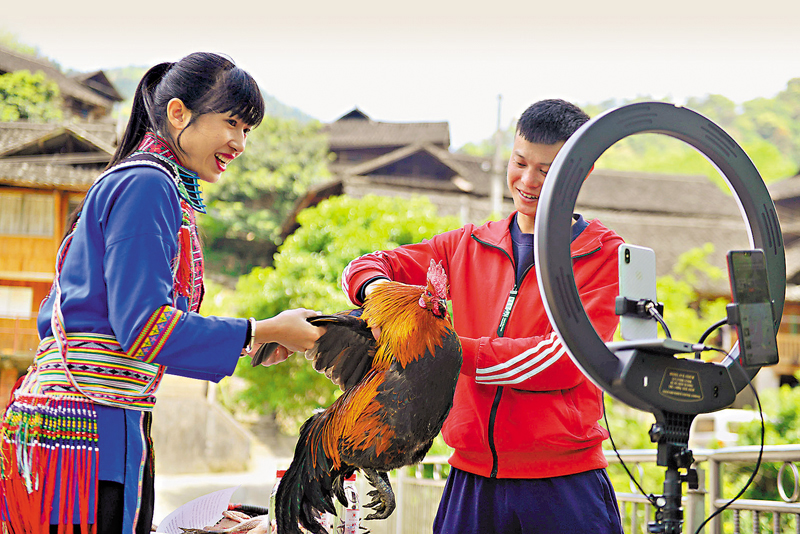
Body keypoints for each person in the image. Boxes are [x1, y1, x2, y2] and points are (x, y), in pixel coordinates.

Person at [0, 52, 323, 534]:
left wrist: (256, 339)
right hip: (84, 436)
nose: (239, 143)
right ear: (177, 113)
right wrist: (260, 330)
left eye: (247, 130)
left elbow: (134, 333)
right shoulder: (148, 185)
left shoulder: (153, 184)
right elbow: (146, 328)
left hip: (94, 424)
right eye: (231, 122)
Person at [341, 99, 624, 533]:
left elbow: (566, 359)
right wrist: (378, 293)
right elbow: (364, 266)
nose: (527, 181)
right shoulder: (466, 245)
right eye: (520, 162)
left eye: (546, 170)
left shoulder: (604, 256)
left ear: (579, 174)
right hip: (470, 479)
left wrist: (443, 350)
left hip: (564, 483)